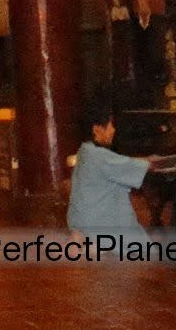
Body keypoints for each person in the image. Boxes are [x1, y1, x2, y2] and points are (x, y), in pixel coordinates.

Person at [66, 99, 169, 238]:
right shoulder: (97, 155)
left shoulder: (85, 152)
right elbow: (130, 165)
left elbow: (121, 163)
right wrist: (154, 162)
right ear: (97, 129)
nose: (113, 130)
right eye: (110, 125)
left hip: (85, 226)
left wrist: (147, 160)